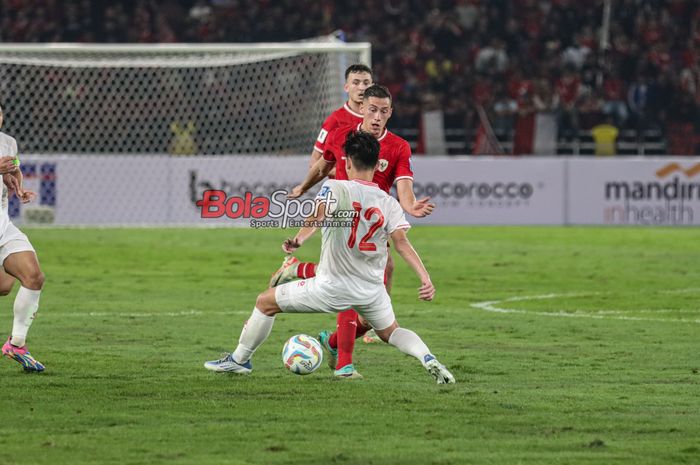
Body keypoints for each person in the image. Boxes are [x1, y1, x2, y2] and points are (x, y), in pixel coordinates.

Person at [204, 131, 455, 385]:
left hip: (330, 287)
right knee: (391, 332)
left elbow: (318, 216)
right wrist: (425, 278)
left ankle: (240, 360)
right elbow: (401, 244)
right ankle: (428, 358)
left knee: (265, 302)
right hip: (371, 291)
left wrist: (299, 239)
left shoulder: (334, 187)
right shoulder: (388, 202)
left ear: (346, 162)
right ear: (377, 163)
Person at [270, 84, 435, 379]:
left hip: (372, 222)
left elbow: (404, 189)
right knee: (354, 286)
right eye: (372, 109)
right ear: (361, 108)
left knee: (372, 306)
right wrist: (303, 187)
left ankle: (325, 328)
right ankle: (344, 363)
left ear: (390, 114)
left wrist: (410, 207)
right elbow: (322, 166)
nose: (377, 116)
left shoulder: (398, 146)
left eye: (384, 111)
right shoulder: (341, 136)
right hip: (342, 218)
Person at [0, 104, 46, 372]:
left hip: (3, 224)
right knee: (4, 287)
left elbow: (12, 169)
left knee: (33, 277)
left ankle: (16, 344)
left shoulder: (8, 142)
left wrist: (16, 183)